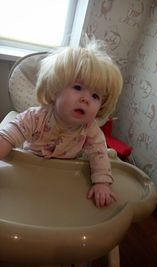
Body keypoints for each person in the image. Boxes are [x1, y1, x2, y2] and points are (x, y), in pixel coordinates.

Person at [0, 37, 123, 208]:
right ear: (55, 89)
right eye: (78, 88)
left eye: (95, 96)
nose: (86, 99)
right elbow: (8, 137)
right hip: (29, 172)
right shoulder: (35, 117)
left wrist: (102, 183)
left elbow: (99, 154)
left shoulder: (90, 129)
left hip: (64, 177)